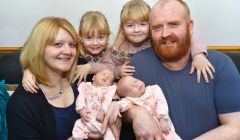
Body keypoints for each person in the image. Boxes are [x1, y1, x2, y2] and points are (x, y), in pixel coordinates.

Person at [121, 0, 240, 139]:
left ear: (189, 27)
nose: (165, 33)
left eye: (173, 24)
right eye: (157, 27)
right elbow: (116, 107)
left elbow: (236, 127)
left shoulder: (220, 64)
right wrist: (136, 112)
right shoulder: (136, 65)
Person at [7, 16, 80, 140]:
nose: (68, 51)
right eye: (58, 44)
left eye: (72, 45)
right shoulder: (21, 104)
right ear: (39, 48)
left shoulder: (79, 81)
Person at [111, 0, 214, 82]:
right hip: (133, 84)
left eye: (142, 24)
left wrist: (198, 55)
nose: (136, 30)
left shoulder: (156, 38)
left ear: (151, 26)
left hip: (158, 78)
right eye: (130, 25)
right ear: (122, 28)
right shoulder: (119, 47)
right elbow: (112, 66)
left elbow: (191, 38)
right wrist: (118, 72)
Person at [22, 11, 115, 93]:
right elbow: (33, 49)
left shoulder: (108, 51)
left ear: (108, 36)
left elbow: (111, 68)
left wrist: (89, 67)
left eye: (101, 37)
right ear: (80, 37)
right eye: (89, 38)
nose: (95, 43)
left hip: (101, 89)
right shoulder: (74, 47)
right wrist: (29, 70)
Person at [110, 76, 181, 140]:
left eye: (135, 80)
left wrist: (162, 118)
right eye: (132, 87)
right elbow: (121, 104)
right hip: (148, 134)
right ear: (128, 96)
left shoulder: (153, 89)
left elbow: (162, 102)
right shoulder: (131, 100)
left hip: (165, 128)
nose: (136, 84)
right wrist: (117, 106)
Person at [72, 69, 118, 140]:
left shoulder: (108, 89)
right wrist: (81, 110)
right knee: (77, 128)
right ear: (93, 77)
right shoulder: (84, 86)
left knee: (110, 135)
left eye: (109, 78)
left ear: (110, 84)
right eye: (103, 73)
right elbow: (80, 98)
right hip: (87, 120)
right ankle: (87, 136)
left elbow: (108, 100)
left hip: (102, 123)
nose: (106, 76)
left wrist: (103, 111)